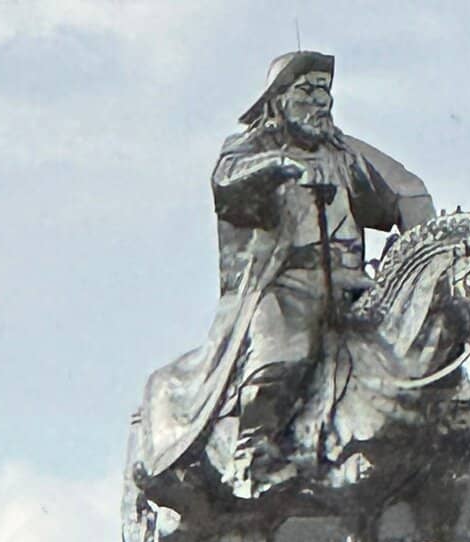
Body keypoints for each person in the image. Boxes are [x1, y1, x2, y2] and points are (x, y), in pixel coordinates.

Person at [134, 50, 437, 496]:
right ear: (279, 98)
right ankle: (252, 452)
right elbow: (226, 179)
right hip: (285, 283)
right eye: (307, 90)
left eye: (325, 90)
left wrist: (424, 247)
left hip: (352, 281)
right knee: (283, 355)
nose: (321, 101)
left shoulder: (344, 152)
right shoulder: (252, 147)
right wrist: (279, 167)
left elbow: (406, 189)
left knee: (414, 345)